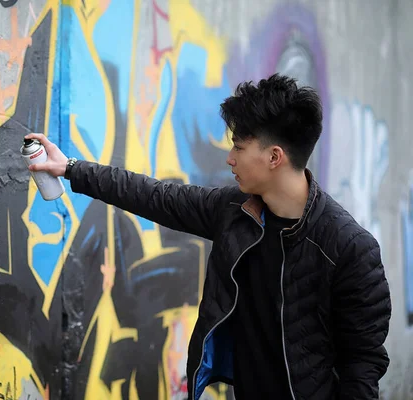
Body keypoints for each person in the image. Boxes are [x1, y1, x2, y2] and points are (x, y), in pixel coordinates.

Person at [24, 74, 391, 400]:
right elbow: (153, 196)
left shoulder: (349, 249)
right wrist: (70, 168)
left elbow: (363, 363)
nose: (230, 158)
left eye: (239, 147)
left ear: (274, 157)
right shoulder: (235, 211)